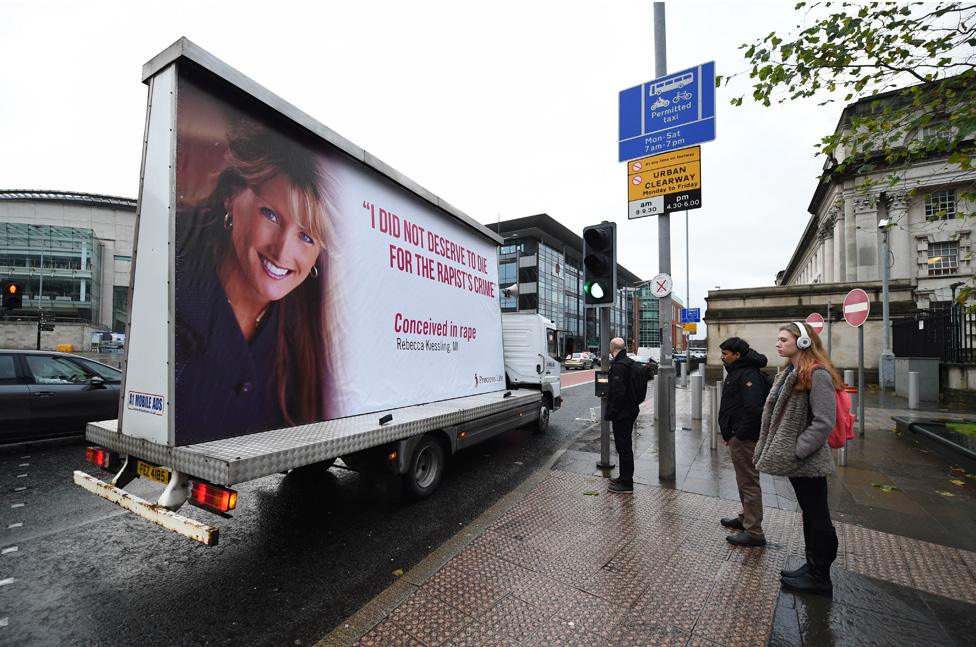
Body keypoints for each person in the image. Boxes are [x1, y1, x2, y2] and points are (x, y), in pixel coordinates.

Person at [175, 118, 338, 444]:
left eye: (307, 237)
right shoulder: (177, 284)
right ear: (231, 196)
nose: (282, 250)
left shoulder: (309, 324)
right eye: (271, 214)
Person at [753, 322, 841, 595]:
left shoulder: (817, 374)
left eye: (783, 339)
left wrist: (797, 450)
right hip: (797, 461)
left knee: (818, 517)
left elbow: (824, 421)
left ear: (803, 342)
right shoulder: (791, 372)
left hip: (808, 460)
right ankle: (812, 565)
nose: (778, 344)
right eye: (778, 339)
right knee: (809, 516)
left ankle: (820, 577)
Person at [717, 337, 769, 547]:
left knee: (748, 482)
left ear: (737, 355)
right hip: (738, 436)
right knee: (743, 480)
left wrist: (739, 435)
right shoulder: (739, 371)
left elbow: (754, 410)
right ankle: (745, 518)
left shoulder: (748, 375)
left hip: (744, 438)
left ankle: (754, 531)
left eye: (725, 354)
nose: (722, 357)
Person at [605, 337, 640, 493]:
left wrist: (612, 412)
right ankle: (623, 477)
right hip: (630, 410)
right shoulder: (629, 362)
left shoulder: (619, 366)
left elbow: (618, 393)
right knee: (624, 447)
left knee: (624, 447)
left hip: (622, 414)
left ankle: (626, 483)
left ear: (612, 349)